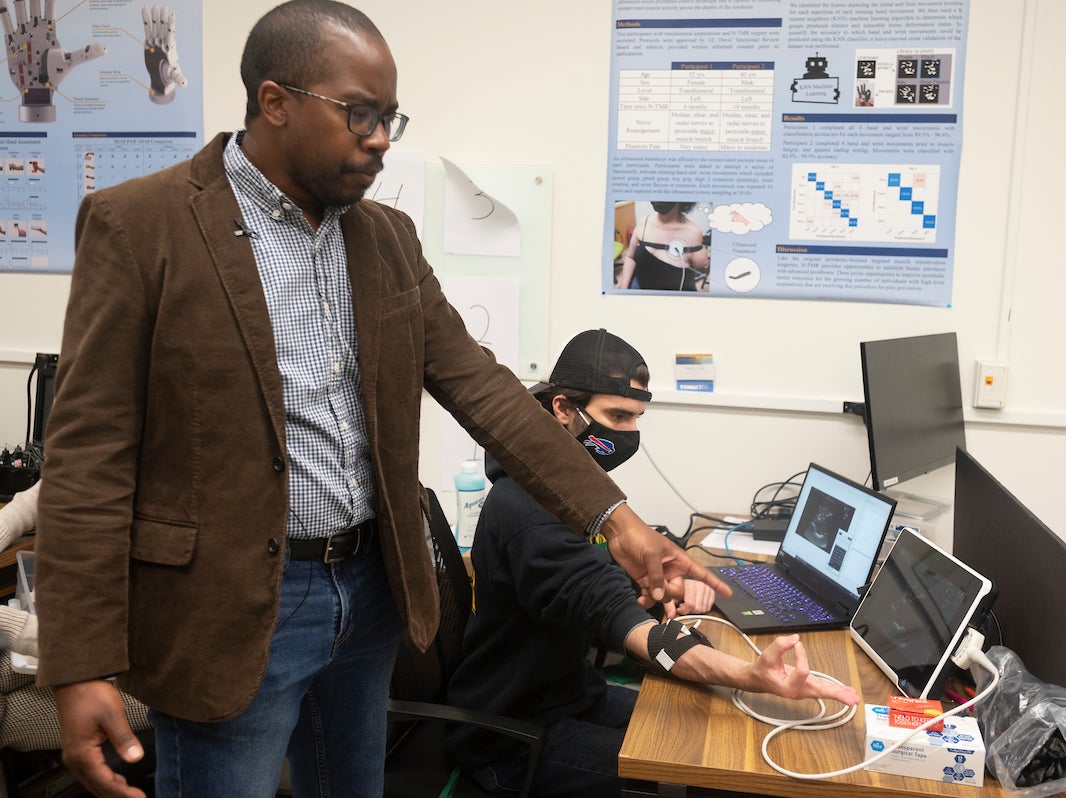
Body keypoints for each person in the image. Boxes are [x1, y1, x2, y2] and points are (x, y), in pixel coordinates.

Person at [33, 3, 727, 797]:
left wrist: (623, 525)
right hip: (229, 609)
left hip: (369, 590)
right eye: (359, 113)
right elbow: (89, 460)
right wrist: (79, 663)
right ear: (275, 101)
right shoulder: (141, 226)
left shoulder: (385, 238)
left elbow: (484, 389)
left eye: (389, 116)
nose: (380, 138)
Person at [446, 329, 861, 797]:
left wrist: (659, 581)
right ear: (562, 409)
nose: (626, 434)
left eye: (636, 418)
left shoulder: (576, 492)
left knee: (723, 727)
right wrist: (751, 675)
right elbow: (615, 617)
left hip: (574, 695)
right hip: (514, 739)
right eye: (616, 416)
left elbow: (596, 573)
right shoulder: (528, 510)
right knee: (708, 770)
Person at [0, 483, 152, 798]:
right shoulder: (113, 448)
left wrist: (34, 635)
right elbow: (39, 497)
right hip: (75, 639)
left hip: (150, 671)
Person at [616, 201, 710, 291]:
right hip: (641, 284)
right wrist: (624, 288)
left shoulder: (693, 232)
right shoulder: (643, 223)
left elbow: (702, 264)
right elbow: (630, 257)